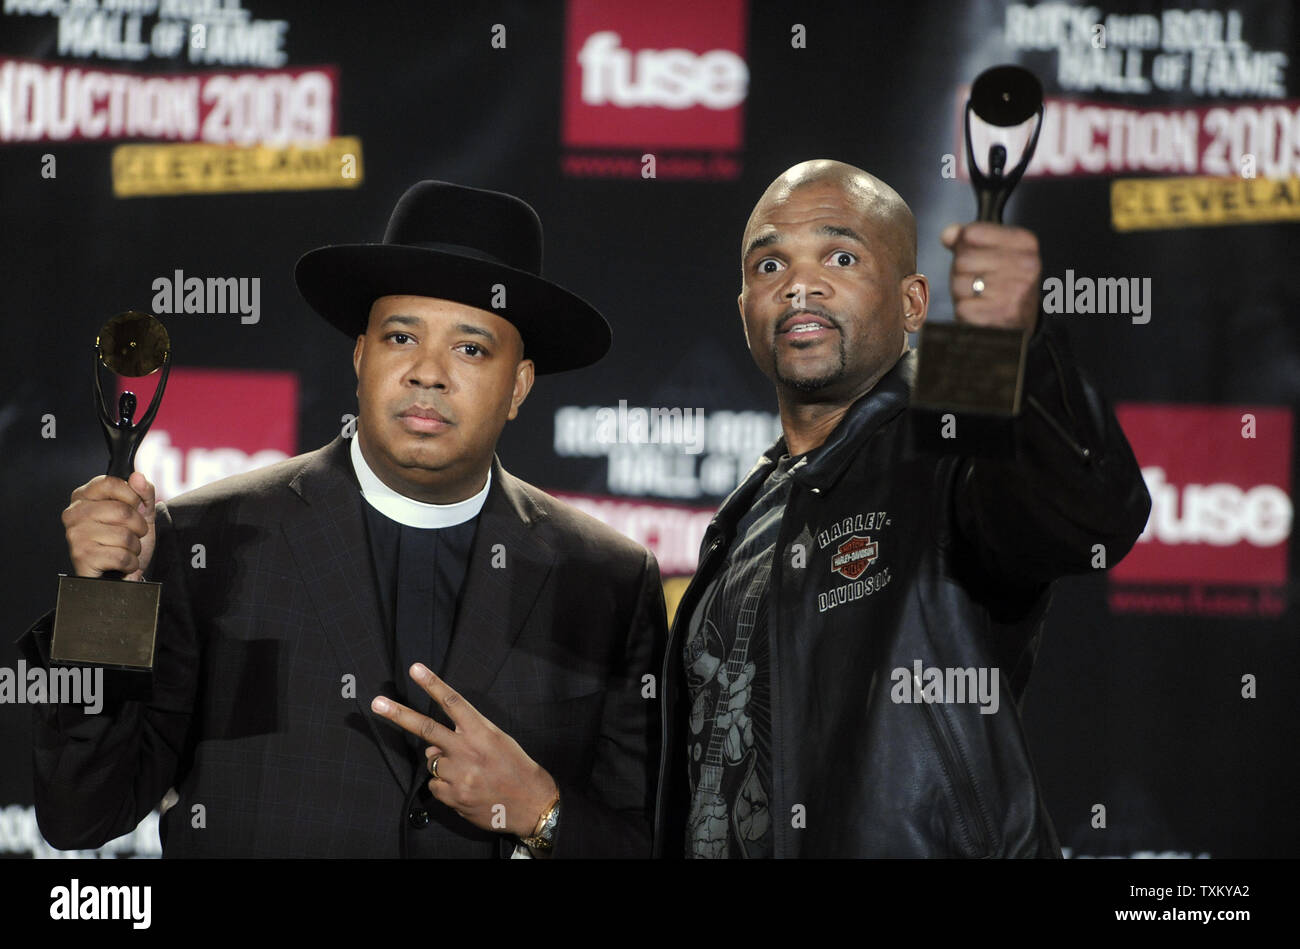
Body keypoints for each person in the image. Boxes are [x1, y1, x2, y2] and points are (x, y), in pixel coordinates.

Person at [21, 180, 666, 858]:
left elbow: (649, 841)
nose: (428, 373)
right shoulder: (209, 541)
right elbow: (79, 814)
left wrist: (544, 810)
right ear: (362, 358)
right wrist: (103, 601)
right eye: (400, 336)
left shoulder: (608, 581)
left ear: (520, 386)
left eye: (471, 349)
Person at [653, 159, 1152, 858]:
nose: (800, 283)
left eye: (841, 255)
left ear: (914, 302)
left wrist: (1024, 342)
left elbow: (1095, 510)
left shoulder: (947, 436)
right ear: (744, 311)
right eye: (770, 266)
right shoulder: (746, 516)